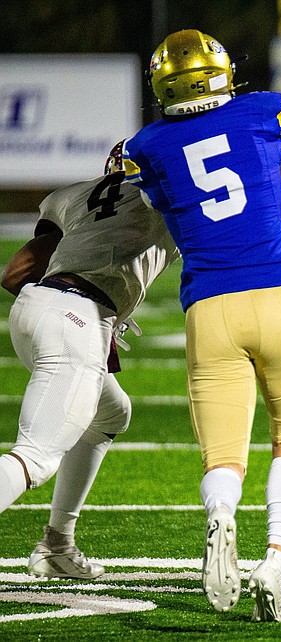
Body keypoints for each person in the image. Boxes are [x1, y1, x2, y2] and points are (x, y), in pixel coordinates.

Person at [122, 29, 281, 622]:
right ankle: (275, 558)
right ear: (222, 74)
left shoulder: (146, 145)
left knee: (223, 456)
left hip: (211, 308)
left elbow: (153, 204)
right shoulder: (264, 109)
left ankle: (222, 516)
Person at [0, 142, 180, 579]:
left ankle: (57, 545)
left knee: (110, 413)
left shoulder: (76, 193)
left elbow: (16, 271)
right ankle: (54, 545)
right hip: (78, 313)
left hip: (35, 306)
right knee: (36, 456)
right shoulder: (172, 197)